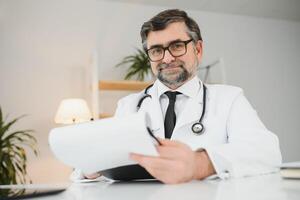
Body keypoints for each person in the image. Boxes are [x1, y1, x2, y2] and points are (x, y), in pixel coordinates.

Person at [72, 9, 282, 184]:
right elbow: (103, 173)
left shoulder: (230, 99)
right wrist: (91, 167)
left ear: (198, 49)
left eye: (177, 46)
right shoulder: (129, 106)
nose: (167, 58)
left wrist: (200, 164)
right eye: (156, 50)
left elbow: (266, 152)